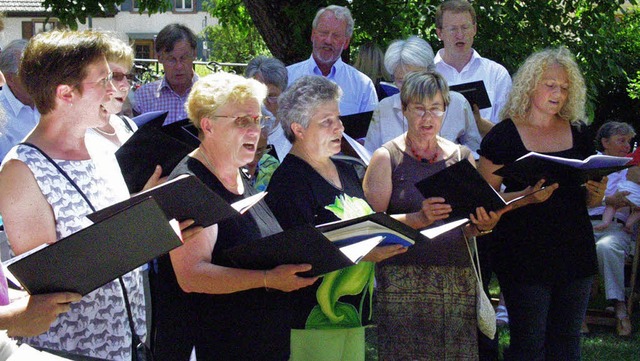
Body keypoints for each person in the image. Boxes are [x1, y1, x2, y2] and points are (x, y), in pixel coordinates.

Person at [0, 30, 148, 360]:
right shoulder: (22, 170)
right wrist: (142, 234)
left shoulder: (101, 148)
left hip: (128, 341)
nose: (114, 90)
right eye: (103, 80)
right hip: (71, 351)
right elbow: (51, 282)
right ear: (66, 93)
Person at [154, 71, 317, 360]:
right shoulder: (190, 186)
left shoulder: (239, 172)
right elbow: (191, 276)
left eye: (258, 120)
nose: (255, 131)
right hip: (214, 345)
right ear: (208, 125)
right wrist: (268, 278)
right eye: (242, 121)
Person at [362, 70, 503, 359]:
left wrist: (484, 225)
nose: (428, 118)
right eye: (419, 109)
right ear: (404, 110)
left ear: (445, 110)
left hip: (456, 279)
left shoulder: (461, 157)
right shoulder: (386, 157)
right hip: (403, 282)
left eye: (436, 108)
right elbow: (370, 230)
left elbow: (468, 225)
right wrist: (418, 219)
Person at [477, 47, 606, 360]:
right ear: (530, 86)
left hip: (574, 249)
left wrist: (596, 195)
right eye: (550, 85)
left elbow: (587, 197)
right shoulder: (503, 136)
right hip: (523, 252)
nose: (558, 94)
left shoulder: (579, 132)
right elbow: (482, 202)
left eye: (564, 88)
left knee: (567, 344)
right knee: (529, 344)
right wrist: (526, 197)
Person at [265, 75, 407, 329]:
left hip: (353, 316)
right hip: (311, 319)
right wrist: (363, 254)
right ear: (298, 129)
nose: (339, 128)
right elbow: (299, 256)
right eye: (327, 122)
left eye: (338, 119)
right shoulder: (289, 181)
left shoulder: (346, 170)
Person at [363, 35, 482, 156]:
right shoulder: (384, 108)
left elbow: (475, 151)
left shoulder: (457, 103)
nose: (409, 88)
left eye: (415, 79)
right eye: (401, 81)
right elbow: (370, 155)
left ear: (431, 72)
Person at [434, 0, 512, 135]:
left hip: (483, 154)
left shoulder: (496, 74)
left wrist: (478, 123)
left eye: (465, 27)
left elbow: (508, 135)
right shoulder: (426, 73)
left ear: (474, 29)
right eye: (453, 29)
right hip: (437, 155)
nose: (460, 35)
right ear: (440, 33)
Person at [589, 121, 636, 336]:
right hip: (586, 222)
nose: (627, 145)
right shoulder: (590, 164)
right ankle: (577, 313)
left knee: (607, 247)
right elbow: (579, 197)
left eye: (629, 141)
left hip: (618, 226)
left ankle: (619, 307)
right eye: (621, 140)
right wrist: (609, 199)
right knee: (568, 243)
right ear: (605, 142)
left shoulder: (633, 166)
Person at [286, 5, 377, 116]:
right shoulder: (288, 78)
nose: (328, 41)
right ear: (313, 35)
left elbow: (370, 131)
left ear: (346, 42)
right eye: (323, 33)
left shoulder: (362, 85)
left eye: (336, 36)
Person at [133, 23, 198, 124]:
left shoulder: (211, 95)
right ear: (159, 58)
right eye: (171, 59)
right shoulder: (142, 98)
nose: (179, 66)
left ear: (194, 54)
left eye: (184, 58)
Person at [245, 56, 291, 161]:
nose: (264, 102)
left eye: (271, 96)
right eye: (257, 95)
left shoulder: (294, 137)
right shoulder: (236, 133)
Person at [0, 39, 40, 162]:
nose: (38, 77)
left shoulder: (52, 101)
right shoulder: (2, 112)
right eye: (30, 72)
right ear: (10, 78)